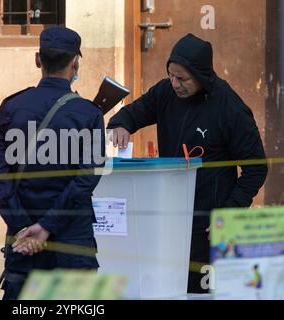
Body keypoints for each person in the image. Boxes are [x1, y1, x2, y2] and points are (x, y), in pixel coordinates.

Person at [107, 33, 268, 293]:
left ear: (202, 75)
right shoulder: (165, 92)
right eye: (171, 75)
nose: (175, 84)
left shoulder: (230, 108)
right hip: (169, 218)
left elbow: (257, 169)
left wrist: (228, 213)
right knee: (168, 288)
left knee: (200, 292)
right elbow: (135, 111)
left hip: (208, 224)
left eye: (182, 78)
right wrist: (120, 124)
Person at [0, 26, 105, 300]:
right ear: (75, 62)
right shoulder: (88, 114)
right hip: (72, 243)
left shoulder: (10, 108)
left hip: (23, 243)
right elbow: (87, 177)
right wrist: (48, 225)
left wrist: (23, 228)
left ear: (38, 60)